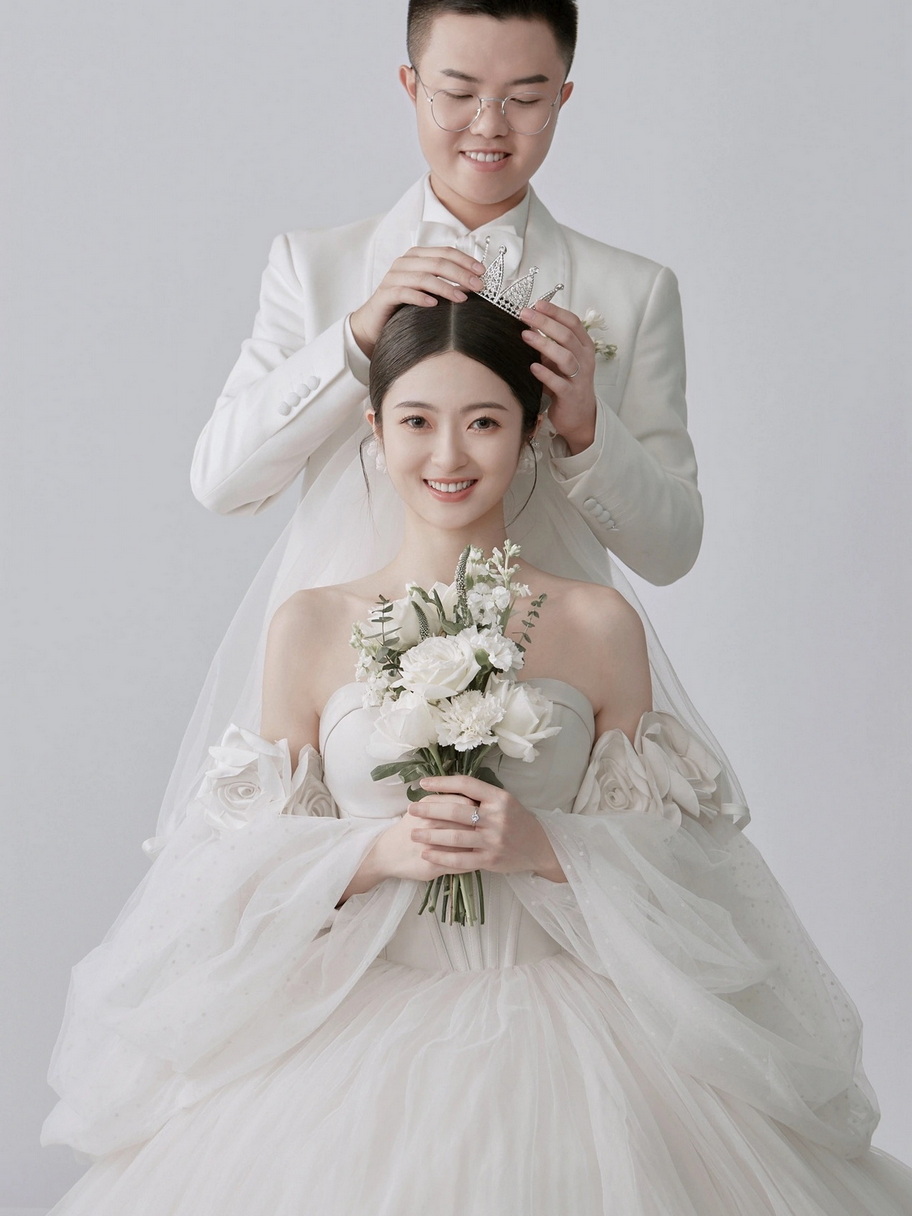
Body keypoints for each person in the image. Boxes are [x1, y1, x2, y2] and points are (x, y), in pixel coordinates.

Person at [42, 293, 912, 1213]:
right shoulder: (310, 626)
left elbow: (681, 871)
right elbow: (242, 876)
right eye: (417, 421)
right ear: (375, 429)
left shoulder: (597, 623)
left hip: (579, 1042)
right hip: (351, 1033)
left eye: (485, 422)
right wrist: (374, 852)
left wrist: (546, 845)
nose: (449, 456)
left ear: (533, 431)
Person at [190, 0, 702, 588]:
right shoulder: (312, 268)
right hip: (348, 640)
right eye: (458, 94)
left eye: (525, 99)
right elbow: (221, 486)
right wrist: (352, 341)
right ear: (411, 86)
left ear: (561, 100)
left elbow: (673, 553)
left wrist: (587, 430)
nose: (489, 125)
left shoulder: (636, 292)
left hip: (547, 640)